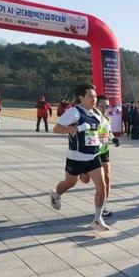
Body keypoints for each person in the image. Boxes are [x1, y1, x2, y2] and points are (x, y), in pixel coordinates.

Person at [49, 84, 110, 231]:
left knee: (102, 186)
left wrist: (102, 139)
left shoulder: (96, 114)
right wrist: (75, 129)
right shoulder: (74, 113)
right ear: (81, 98)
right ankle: (56, 194)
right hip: (76, 157)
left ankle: (97, 219)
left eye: (95, 97)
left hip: (94, 156)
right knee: (70, 183)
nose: (94, 99)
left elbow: (96, 132)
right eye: (90, 96)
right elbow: (56, 129)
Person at [79, 95, 120, 217]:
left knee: (107, 178)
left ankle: (103, 205)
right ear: (96, 105)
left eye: (107, 106)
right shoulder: (90, 118)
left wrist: (114, 139)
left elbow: (109, 133)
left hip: (104, 151)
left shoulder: (107, 119)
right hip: (91, 152)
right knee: (86, 180)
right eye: (103, 106)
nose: (105, 108)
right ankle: (80, 173)